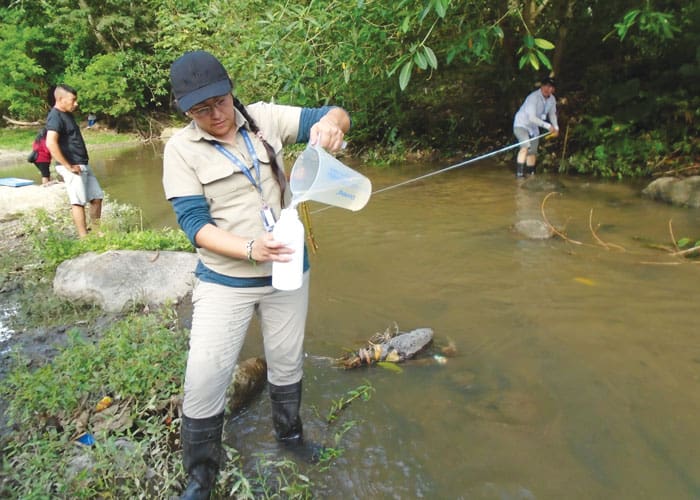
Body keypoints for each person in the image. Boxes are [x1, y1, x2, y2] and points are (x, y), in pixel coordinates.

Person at [162, 50, 350, 499]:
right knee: (205, 377)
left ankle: (291, 439)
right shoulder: (180, 150)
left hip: (287, 272)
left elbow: (335, 113)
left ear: (231, 91)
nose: (215, 115)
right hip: (226, 279)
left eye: (221, 102)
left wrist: (332, 127)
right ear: (187, 111)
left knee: (286, 361)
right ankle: (201, 477)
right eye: (200, 110)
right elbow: (195, 226)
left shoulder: (264, 117)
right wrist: (250, 248)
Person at [45, 84, 104, 238]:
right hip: (72, 165)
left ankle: (97, 231)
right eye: (73, 100)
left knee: (96, 197)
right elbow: (51, 142)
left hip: (82, 163)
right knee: (78, 201)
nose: (76, 103)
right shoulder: (55, 116)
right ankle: (84, 237)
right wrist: (67, 166)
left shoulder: (67, 114)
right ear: (60, 99)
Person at [512, 76, 559, 177]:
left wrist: (556, 128)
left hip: (534, 127)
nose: (547, 89)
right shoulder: (533, 97)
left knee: (533, 151)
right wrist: (548, 126)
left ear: (553, 89)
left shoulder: (552, 99)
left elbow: (552, 114)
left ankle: (530, 174)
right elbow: (532, 117)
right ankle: (519, 175)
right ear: (541, 86)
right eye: (545, 86)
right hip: (521, 124)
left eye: (550, 87)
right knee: (525, 146)